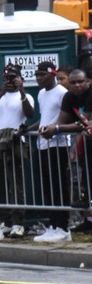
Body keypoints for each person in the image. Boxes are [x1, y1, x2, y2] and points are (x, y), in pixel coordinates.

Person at [0, 64, 34, 237]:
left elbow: (30, 113)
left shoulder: (25, 96)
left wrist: (22, 91)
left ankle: (18, 222)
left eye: (13, 78)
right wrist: (2, 93)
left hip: (16, 143)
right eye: (7, 78)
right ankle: (4, 221)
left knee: (16, 185)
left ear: (20, 78)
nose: (10, 81)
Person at [39, 68, 92, 231]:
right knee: (87, 181)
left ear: (88, 81)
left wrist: (58, 129)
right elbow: (62, 120)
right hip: (88, 142)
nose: (77, 85)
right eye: (73, 82)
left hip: (87, 135)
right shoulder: (69, 97)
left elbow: (87, 122)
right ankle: (89, 220)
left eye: (80, 82)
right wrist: (51, 128)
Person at [29, 61, 72, 242]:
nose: (39, 79)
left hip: (59, 144)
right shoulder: (40, 94)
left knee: (59, 186)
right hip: (43, 144)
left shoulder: (63, 93)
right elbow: (44, 118)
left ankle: (63, 228)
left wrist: (55, 128)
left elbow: (66, 117)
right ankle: (53, 226)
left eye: (42, 75)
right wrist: (27, 129)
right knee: (48, 188)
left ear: (52, 74)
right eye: (37, 75)